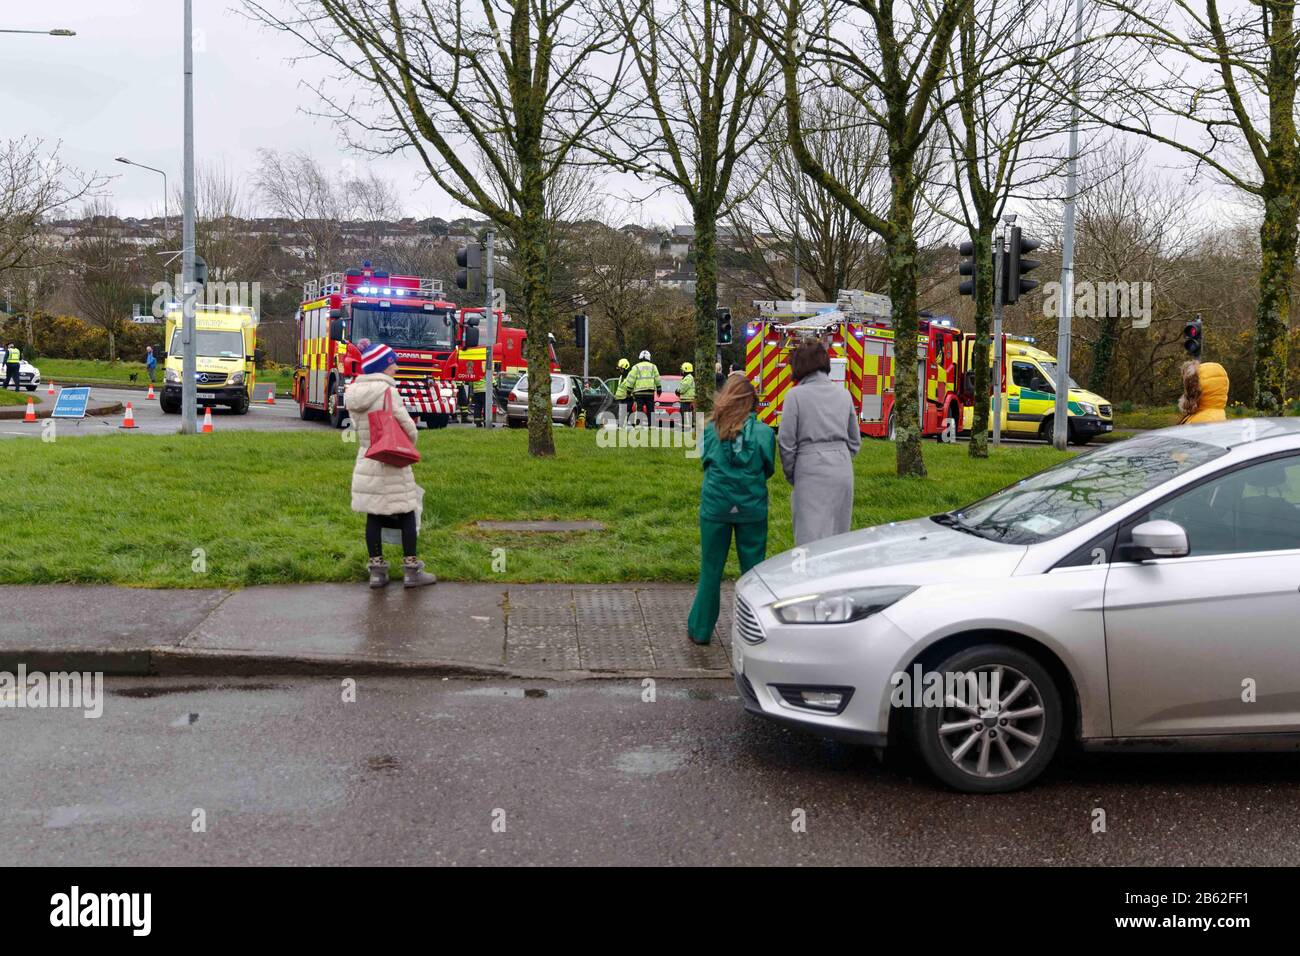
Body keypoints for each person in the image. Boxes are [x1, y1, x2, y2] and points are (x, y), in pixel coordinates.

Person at [686, 373, 776, 645]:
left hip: (716, 507)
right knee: (753, 571)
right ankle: (757, 632)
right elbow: (768, 467)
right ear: (752, 402)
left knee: (711, 569)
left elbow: (705, 462)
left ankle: (701, 629)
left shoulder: (710, 430)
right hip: (751, 507)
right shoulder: (764, 432)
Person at [344, 340, 436, 589]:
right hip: (392, 458)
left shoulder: (353, 394)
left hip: (367, 457)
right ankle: (411, 570)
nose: (396, 366)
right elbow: (408, 428)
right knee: (406, 510)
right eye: (392, 362)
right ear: (383, 366)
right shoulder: (388, 392)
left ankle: (377, 572)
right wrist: (409, 442)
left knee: (373, 515)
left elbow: (357, 427)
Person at [778, 339, 861, 546]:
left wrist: (792, 473)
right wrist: (841, 456)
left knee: (809, 537)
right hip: (842, 469)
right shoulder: (844, 395)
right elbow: (854, 440)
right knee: (839, 534)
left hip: (809, 468)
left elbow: (786, 442)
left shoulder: (794, 396)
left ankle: (809, 577)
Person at [626, 349, 660, 424]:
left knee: (639, 409)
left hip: (639, 393)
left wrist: (629, 390)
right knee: (651, 409)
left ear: (640, 357)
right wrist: (659, 388)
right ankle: (652, 426)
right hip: (650, 392)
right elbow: (657, 378)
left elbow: (631, 379)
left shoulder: (636, 367)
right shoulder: (653, 367)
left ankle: (638, 425)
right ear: (649, 358)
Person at [613, 357, 632, 423]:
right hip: (621, 399)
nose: (620, 371)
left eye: (621, 369)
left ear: (625, 368)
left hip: (628, 398)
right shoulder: (621, 377)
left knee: (628, 415)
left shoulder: (630, 376)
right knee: (622, 416)